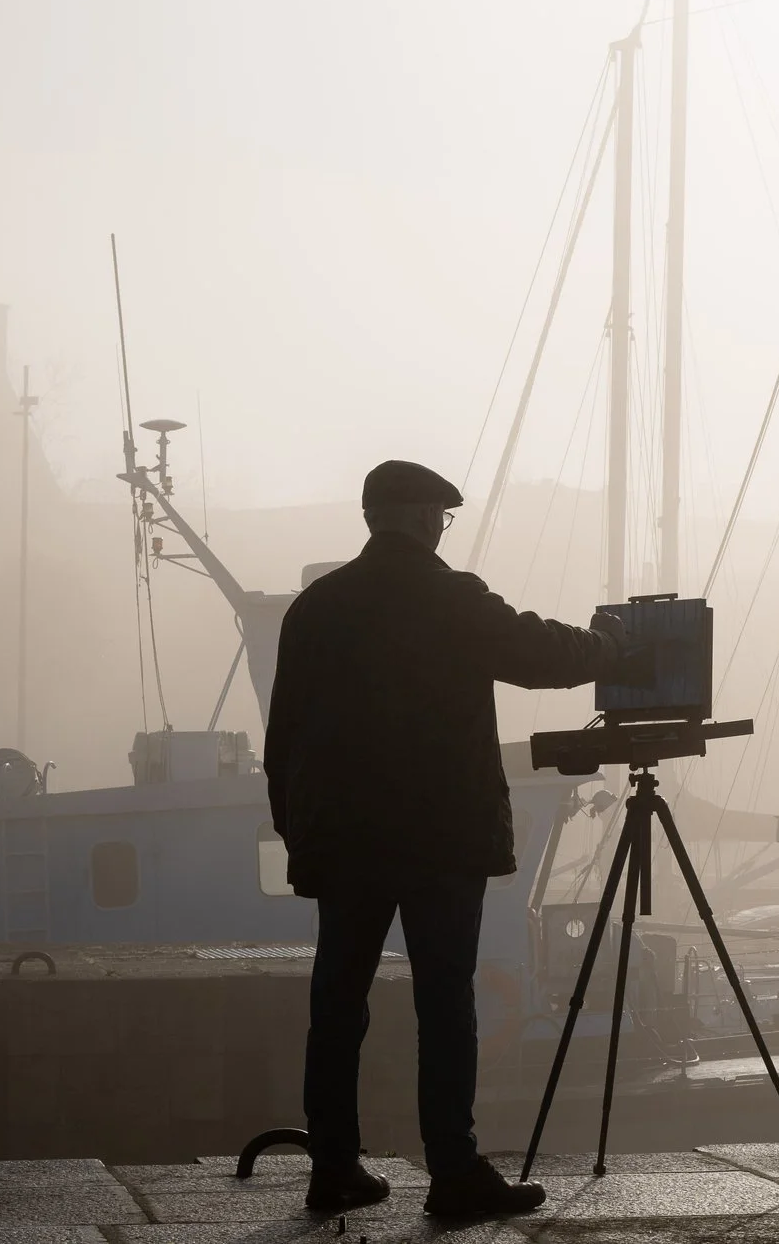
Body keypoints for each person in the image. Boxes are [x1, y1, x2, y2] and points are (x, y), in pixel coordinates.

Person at [265, 459, 634, 1217]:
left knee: (337, 1004)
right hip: (439, 839)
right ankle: (454, 1171)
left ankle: (334, 1164)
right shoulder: (449, 596)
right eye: (441, 515)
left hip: (344, 842)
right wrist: (605, 643)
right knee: (444, 1003)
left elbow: (284, 738)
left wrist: (300, 830)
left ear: (373, 517)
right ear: (428, 517)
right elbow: (539, 655)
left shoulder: (314, 609)